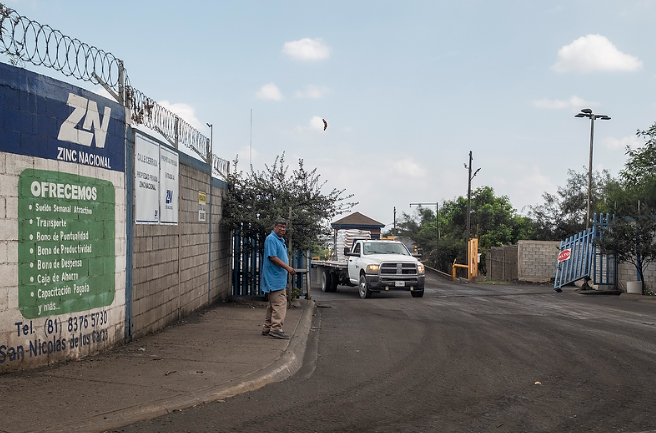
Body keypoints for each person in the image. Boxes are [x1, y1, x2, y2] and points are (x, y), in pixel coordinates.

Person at [261, 218, 296, 339]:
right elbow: (272, 257)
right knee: (280, 304)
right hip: (274, 277)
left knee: (272, 304)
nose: (282, 229)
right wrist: (288, 268)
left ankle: (267, 327)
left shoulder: (279, 240)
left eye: (284, 227)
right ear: (275, 227)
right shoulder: (271, 239)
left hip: (277, 277)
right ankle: (276, 329)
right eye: (280, 226)